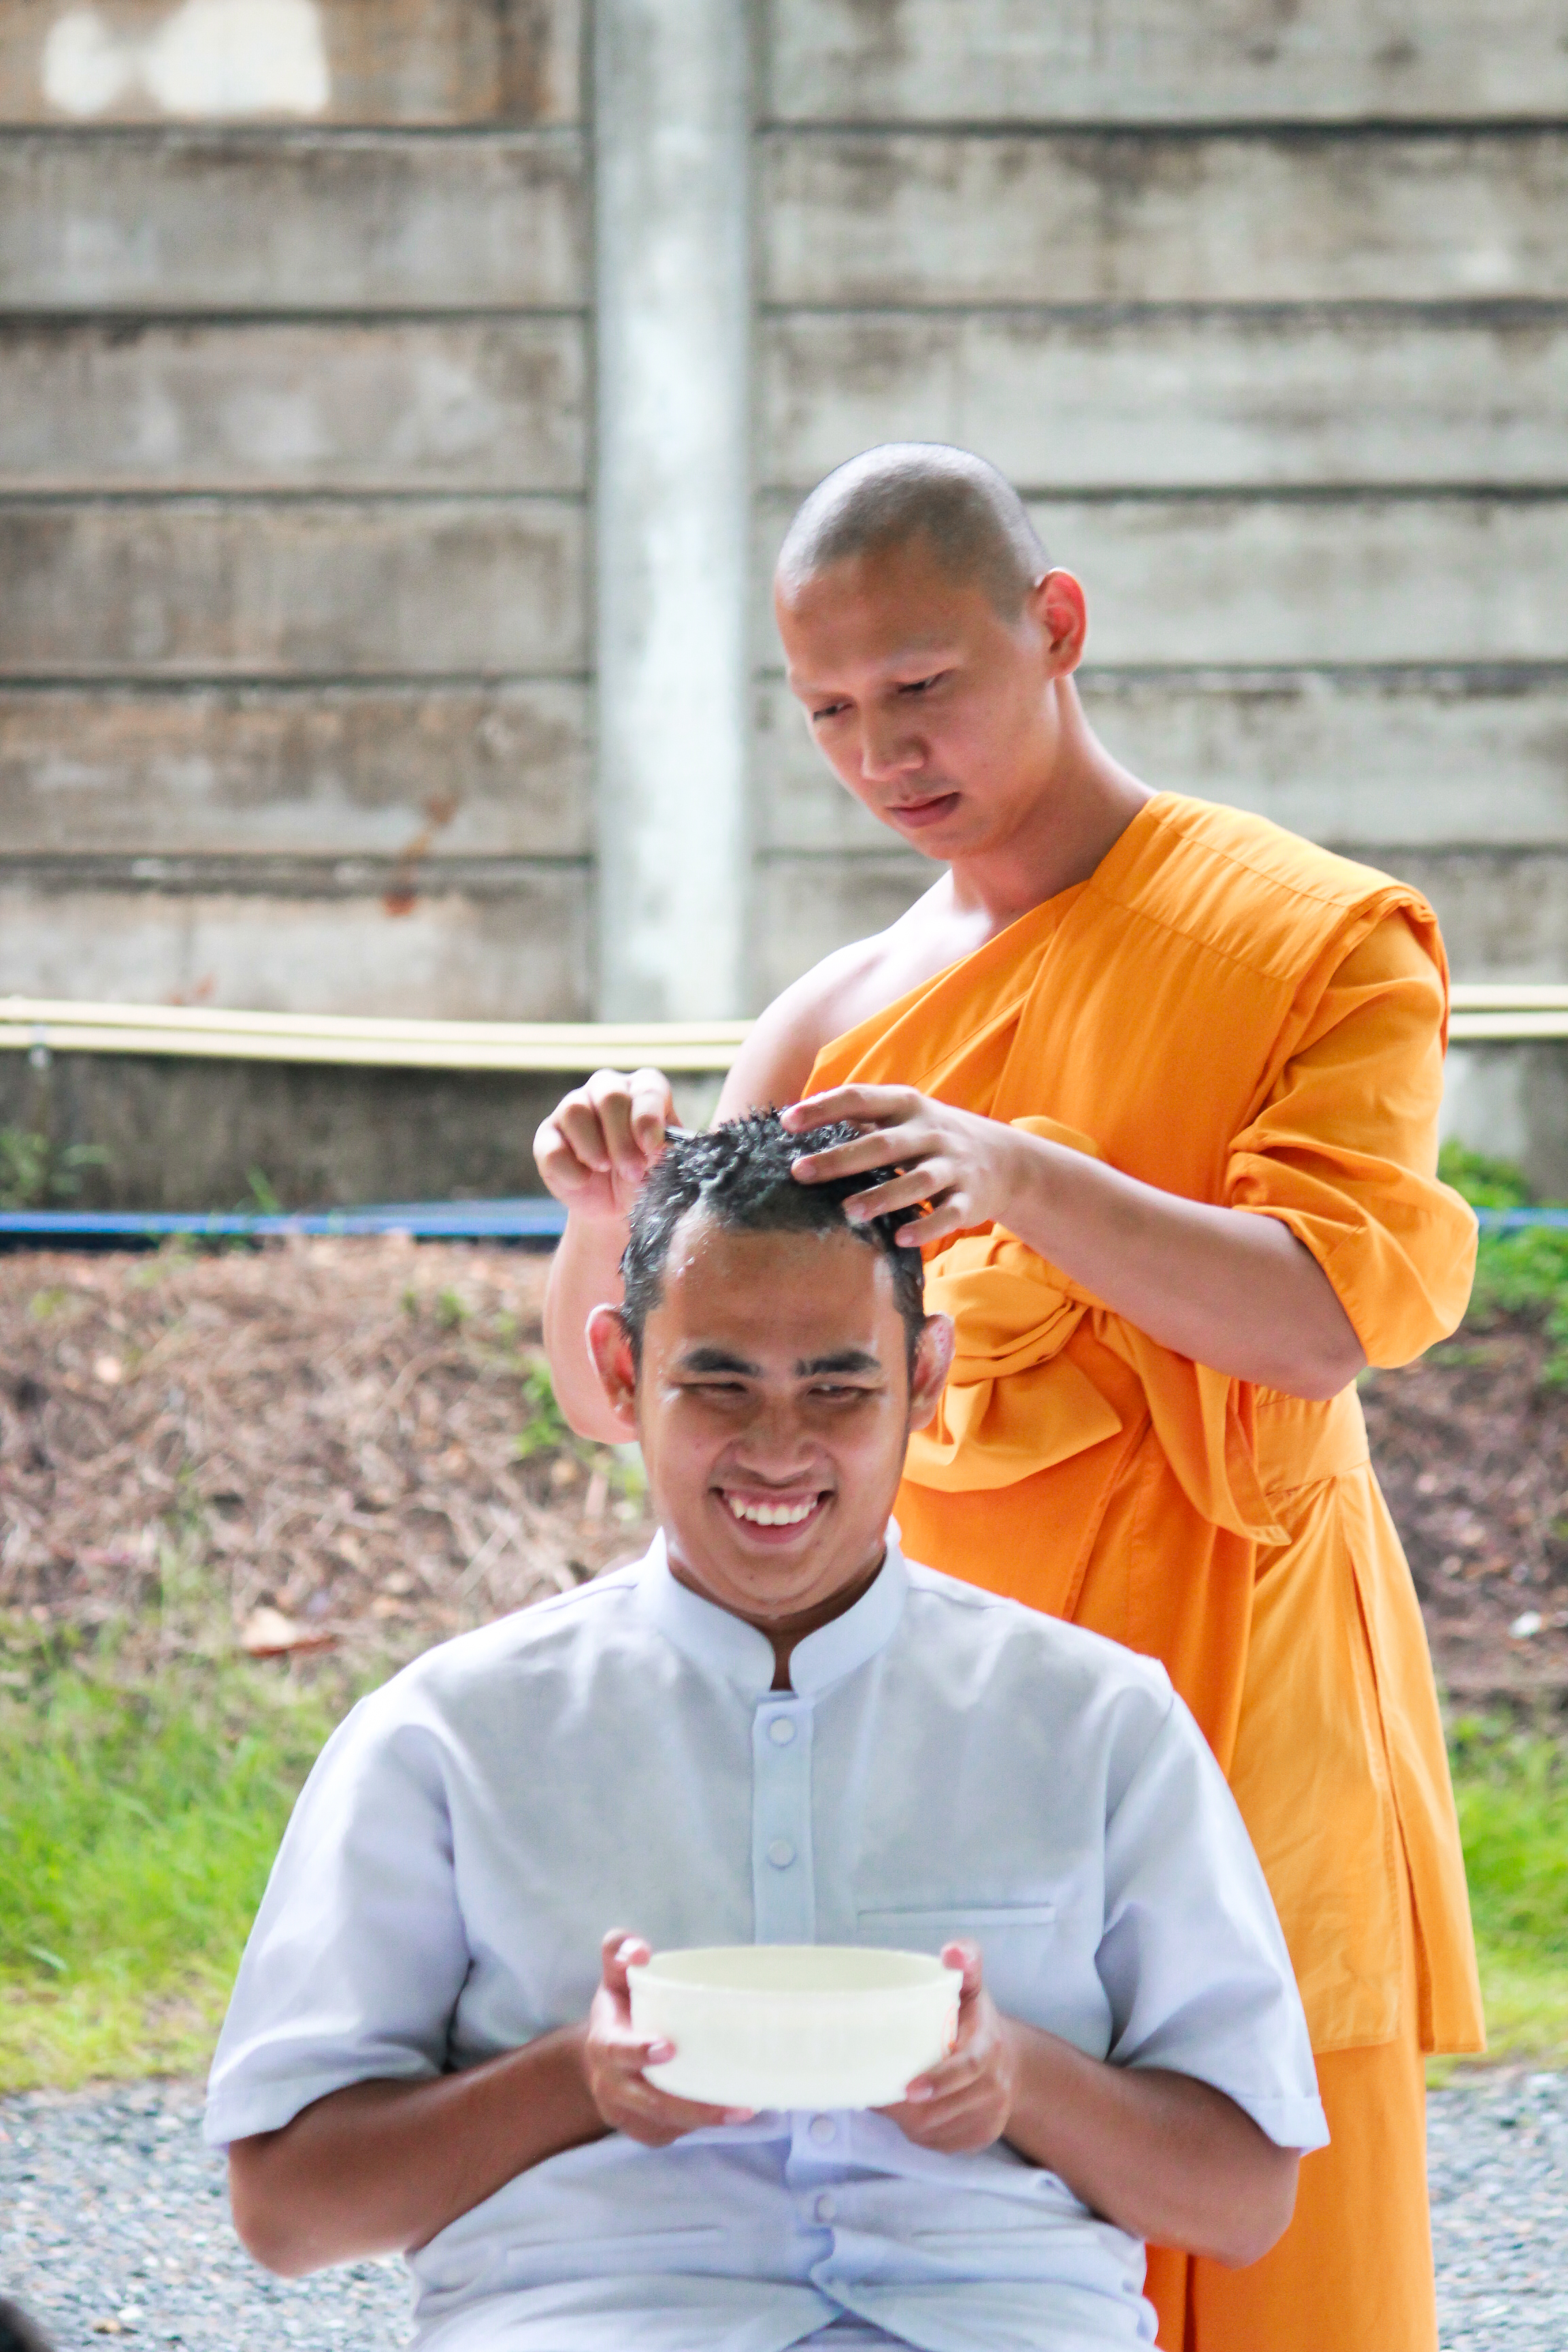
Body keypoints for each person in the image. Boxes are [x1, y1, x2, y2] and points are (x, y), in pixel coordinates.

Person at [534, 444, 1483, 2352]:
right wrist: (602, 1223)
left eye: (923, 686)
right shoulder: (834, 1020)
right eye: (830, 711)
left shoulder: (1309, 941)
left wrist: (1024, 1175)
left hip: (1246, 1711)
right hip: (951, 1753)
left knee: (1271, 2247)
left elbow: (1323, 1318)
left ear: (1054, 627)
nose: (884, 752)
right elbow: (638, 1400)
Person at [208, 1115, 1325, 2352]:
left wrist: (1018, 2079)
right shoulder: (450, 1734)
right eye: (719, 1384)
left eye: (838, 1387)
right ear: (621, 1371)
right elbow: (286, 2208)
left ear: (928, 1377)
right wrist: (577, 2080)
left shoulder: (1098, 1722)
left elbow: (1245, 2197)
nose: (778, 1447)